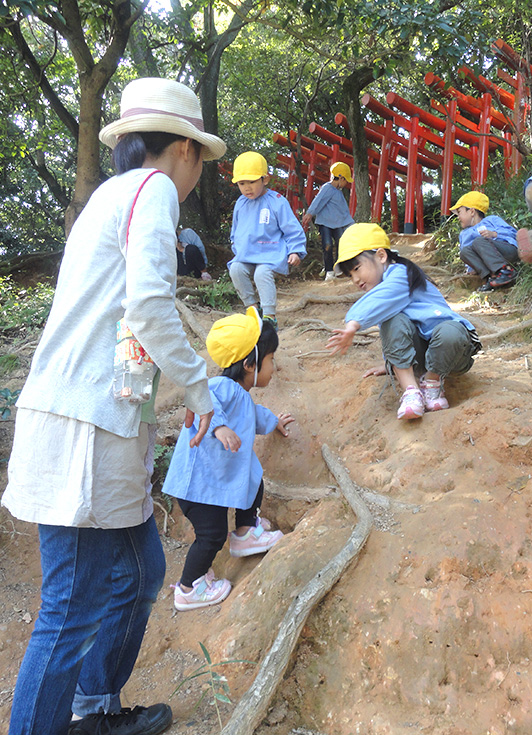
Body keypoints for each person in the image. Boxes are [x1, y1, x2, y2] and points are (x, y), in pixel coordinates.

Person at [0, 78, 226, 735]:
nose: (196, 175)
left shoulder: (112, 195)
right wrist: (200, 385)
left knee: (139, 570)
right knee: (71, 602)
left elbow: (126, 326)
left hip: (100, 417)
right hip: (83, 423)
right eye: (200, 162)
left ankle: (94, 708)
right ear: (183, 148)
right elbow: (149, 309)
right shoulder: (152, 191)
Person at [163, 310, 293, 611]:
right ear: (250, 365)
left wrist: (274, 421)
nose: (274, 367)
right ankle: (187, 588)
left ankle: (246, 532)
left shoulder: (241, 395)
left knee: (253, 479)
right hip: (197, 485)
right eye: (271, 359)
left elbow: (254, 416)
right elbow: (202, 399)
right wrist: (218, 425)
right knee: (211, 536)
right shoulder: (220, 388)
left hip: (210, 483)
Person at [326, 223, 481, 420]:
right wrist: (391, 361)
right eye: (350, 275)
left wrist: (353, 324)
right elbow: (393, 330)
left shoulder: (401, 275)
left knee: (449, 331)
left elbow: (380, 299)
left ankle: (432, 383)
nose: (355, 279)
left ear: (381, 256)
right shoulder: (384, 295)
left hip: (453, 353)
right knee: (392, 319)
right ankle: (411, 391)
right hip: (422, 356)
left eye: (357, 268)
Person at [228, 151, 307, 330]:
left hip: (270, 253)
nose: (247, 187)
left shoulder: (277, 201)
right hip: (246, 254)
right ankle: (253, 309)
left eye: (252, 182)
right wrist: (236, 246)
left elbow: (291, 228)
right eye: (242, 183)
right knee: (236, 269)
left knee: (261, 273)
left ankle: (269, 316)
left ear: (265, 179)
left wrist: (295, 250)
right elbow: (236, 231)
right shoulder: (240, 203)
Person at [450, 191, 519, 290]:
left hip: (507, 250)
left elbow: (512, 233)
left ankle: (506, 271)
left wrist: (494, 234)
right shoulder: (464, 234)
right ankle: (492, 278)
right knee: (464, 252)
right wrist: (472, 267)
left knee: (478, 241)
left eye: (459, 212)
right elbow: (469, 253)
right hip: (488, 262)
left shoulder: (492, 220)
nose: (458, 217)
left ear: (472, 212)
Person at [301, 161, 355, 280]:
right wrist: (310, 213)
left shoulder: (339, 193)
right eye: (345, 180)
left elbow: (344, 211)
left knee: (341, 244)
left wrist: (351, 224)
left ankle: (338, 268)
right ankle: (329, 271)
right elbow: (318, 201)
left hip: (337, 224)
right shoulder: (327, 188)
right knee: (327, 246)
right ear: (340, 177)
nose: (346, 183)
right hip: (325, 223)